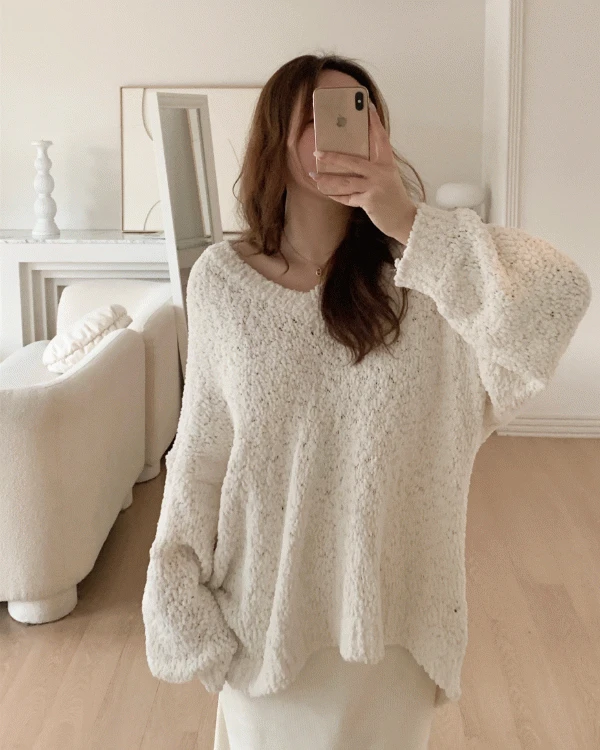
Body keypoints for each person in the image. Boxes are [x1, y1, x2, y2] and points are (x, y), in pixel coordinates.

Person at [141, 54, 592, 750]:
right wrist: (176, 586)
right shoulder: (222, 283)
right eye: (315, 120)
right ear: (275, 140)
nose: (339, 137)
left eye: (359, 116)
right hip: (261, 622)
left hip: (392, 632)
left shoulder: (427, 282)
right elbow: (201, 451)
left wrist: (407, 220)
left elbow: (559, 295)